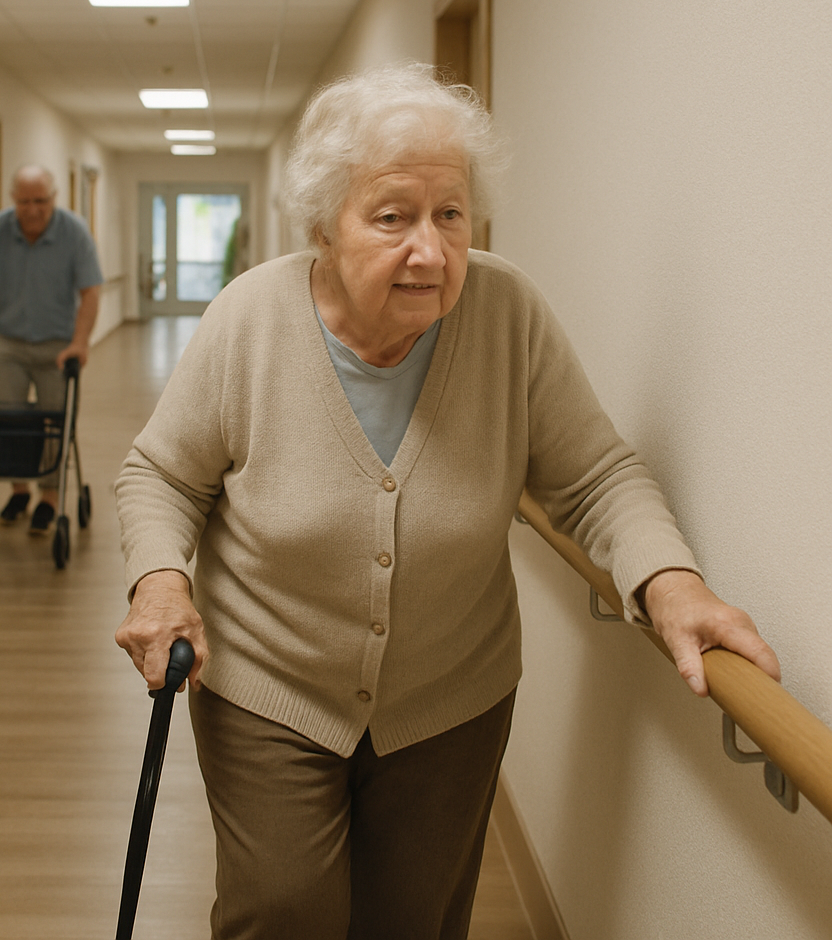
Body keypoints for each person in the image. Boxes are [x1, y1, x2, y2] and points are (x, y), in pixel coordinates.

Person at [114, 64, 780, 940]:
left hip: (449, 700)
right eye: (392, 217)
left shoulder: (508, 316)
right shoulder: (249, 322)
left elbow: (596, 476)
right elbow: (161, 473)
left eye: (451, 214)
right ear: (323, 225)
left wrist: (671, 583)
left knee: (414, 923)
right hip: (268, 687)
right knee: (281, 913)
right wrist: (161, 582)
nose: (429, 248)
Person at [0, 164, 102, 534]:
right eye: (24, 201)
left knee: (54, 422)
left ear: (54, 199)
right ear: (14, 200)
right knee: (9, 422)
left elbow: (91, 292)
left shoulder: (74, 232)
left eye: (40, 200)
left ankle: (49, 499)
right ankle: (19, 490)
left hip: (57, 346)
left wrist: (79, 343)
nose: (33, 209)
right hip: (7, 342)